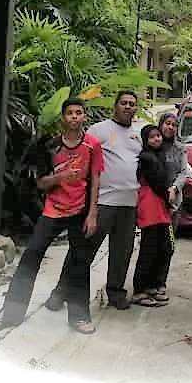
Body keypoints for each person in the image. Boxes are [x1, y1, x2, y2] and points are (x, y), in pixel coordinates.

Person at [0, 98, 103, 335]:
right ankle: (10, 314)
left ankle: (79, 317)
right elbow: (41, 182)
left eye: (79, 112)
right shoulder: (49, 146)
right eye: (69, 113)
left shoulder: (92, 145)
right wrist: (62, 177)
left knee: (80, 264)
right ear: (63, 117)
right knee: (30, 257)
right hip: (53, 211)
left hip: (80, 212)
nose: (74, 117)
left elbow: (96, 180)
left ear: (84, 117)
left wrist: (92, 214)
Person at [45, 89, 142, 311]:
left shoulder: (138, 135)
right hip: (104, 202)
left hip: (129, 204)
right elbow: (84, 159)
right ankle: (61, 292)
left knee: (122, 251)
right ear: (115, 107)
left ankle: (116, 293)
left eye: (132, 104)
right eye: (124, 103)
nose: (128, 107)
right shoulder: (100, 130)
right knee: (83, 250)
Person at [132, 124, 174, 307]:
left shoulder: (159, 155)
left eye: (158, 136)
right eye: (152, 137)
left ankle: (152, 285)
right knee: (149, 248)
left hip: (158, 204)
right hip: (151, 204)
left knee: (163, 246)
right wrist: (168, 199)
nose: (157, 139)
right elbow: (158, 182)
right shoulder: (147, 158)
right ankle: (140, 289)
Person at [157, 111, 188, 231]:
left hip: (173, 201)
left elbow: (183, 172)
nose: (170, 127)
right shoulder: (152, 145)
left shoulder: (180, 148)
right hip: (154, 200)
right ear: (160, 125)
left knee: (169, 240)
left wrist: (174, 188)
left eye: (174, 125)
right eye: (167, 123)